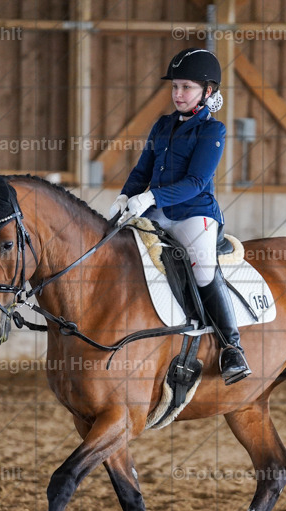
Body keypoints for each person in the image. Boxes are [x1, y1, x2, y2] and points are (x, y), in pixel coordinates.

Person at [107, 48, 250, 385]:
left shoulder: (212, 131)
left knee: (202, 268)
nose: (179, 94)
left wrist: (150, 197)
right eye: (175, 87)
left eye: (186, 87)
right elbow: (143, 169)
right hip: (154, 210)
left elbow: (196, 182)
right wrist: (125, 195)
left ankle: (231, 347)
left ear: (207, 91)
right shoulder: (162, 124)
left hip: (194, 215)